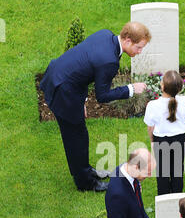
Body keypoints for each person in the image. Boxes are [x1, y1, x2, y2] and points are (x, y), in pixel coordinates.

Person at [40, 22, 151, 192]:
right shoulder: (110, 61)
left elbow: (84, 69)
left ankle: (85, 170)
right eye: (139, 47)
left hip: (65, 82)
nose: (139, 51)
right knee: (75, 138)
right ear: (128, 40)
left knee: (80, 135)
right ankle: (85, 183)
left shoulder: (106, 34)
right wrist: (131, 89)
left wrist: (82, 101)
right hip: (63, 92)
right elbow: (102, 96)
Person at [144, 70, 185, 195]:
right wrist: (183, 134)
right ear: (180, 88)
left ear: (162, 86)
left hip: (160, 140)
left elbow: (150, 128)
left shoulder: (153, 105)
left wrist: (152, 140)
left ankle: (163, 197)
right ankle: (177, 196)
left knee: (162, 171)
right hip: (180, 139)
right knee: (177, 169)